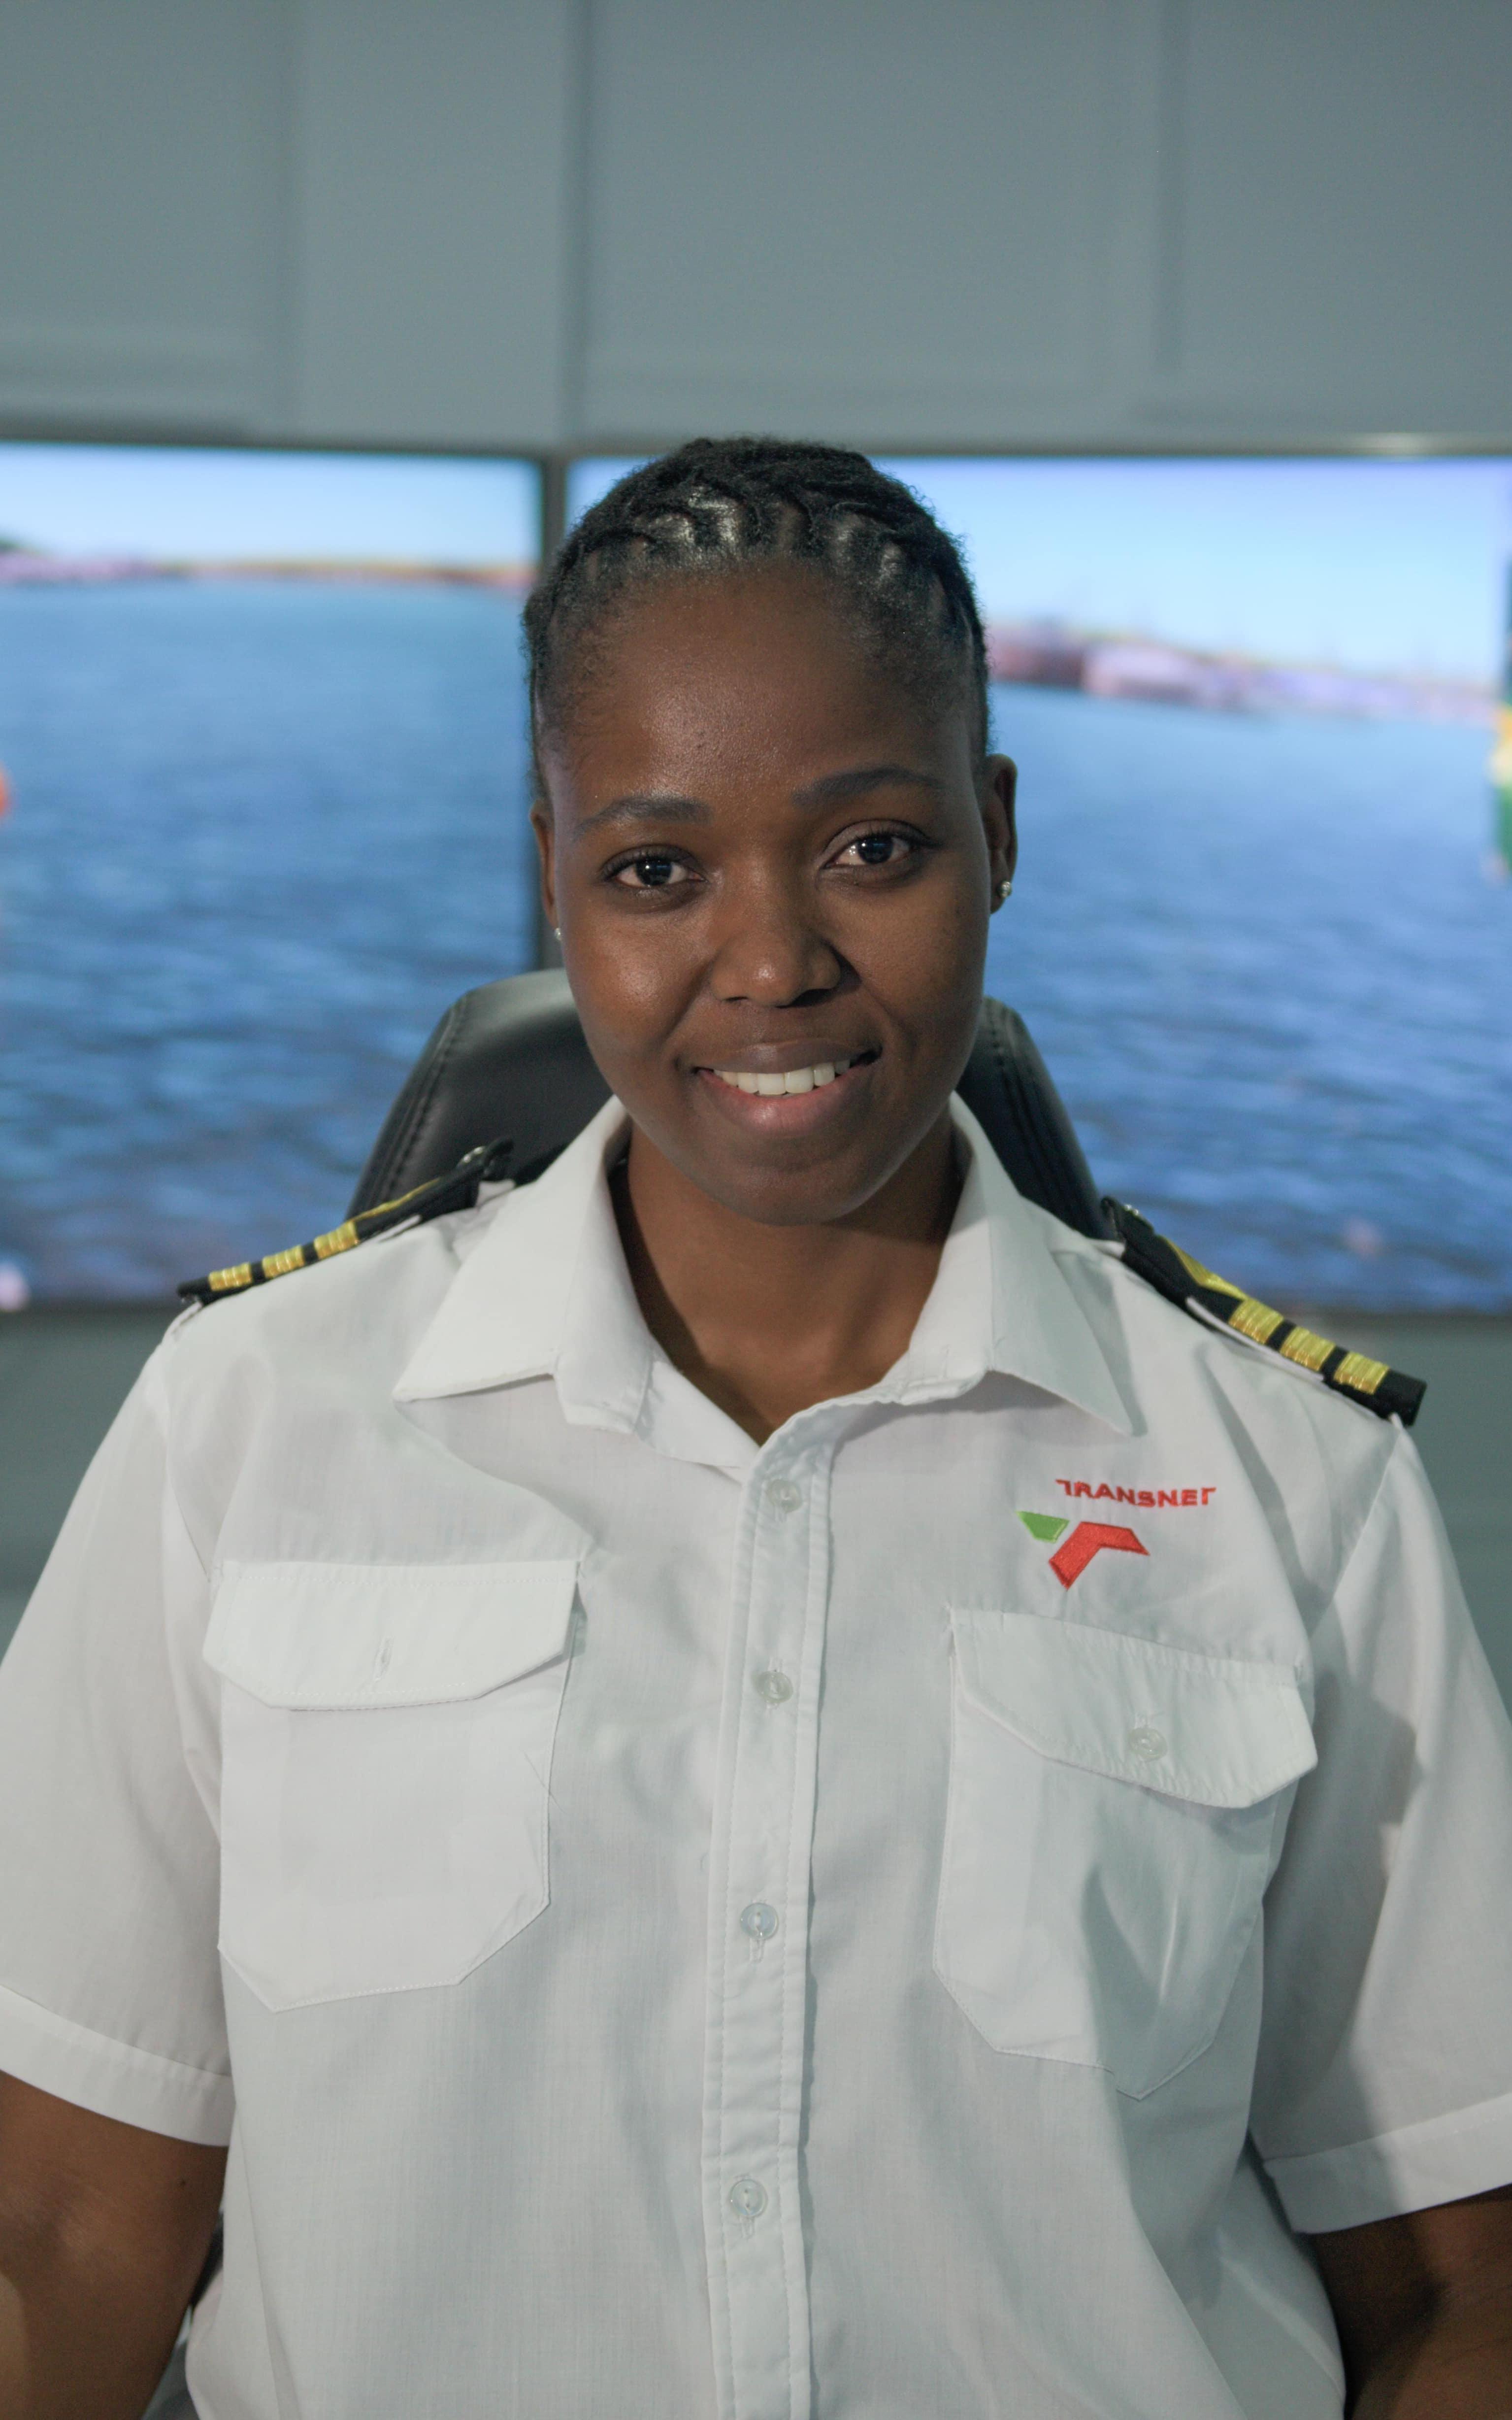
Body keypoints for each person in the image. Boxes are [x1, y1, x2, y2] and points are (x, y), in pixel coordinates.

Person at [1, 440, 1511, 2420]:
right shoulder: (257, 1422)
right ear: (553, 869)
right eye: (655, 868)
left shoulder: (1295, 1488)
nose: (774, 959)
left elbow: (1457, 2278)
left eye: (874, 846)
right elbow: (66, 2234)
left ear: (997, 826)